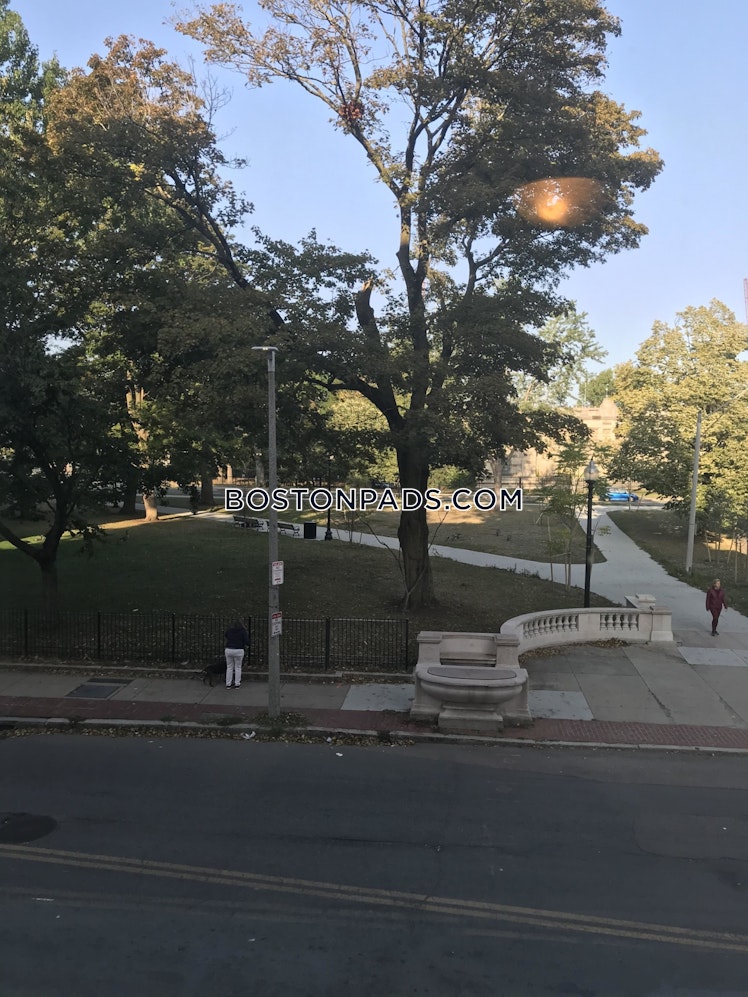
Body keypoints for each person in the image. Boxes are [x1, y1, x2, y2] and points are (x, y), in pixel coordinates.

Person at [224, 618, 249, 688]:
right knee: (238, 667)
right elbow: (247, 641)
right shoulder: (243, 631)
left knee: (229, 667)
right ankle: (237, 683)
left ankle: (228, 683)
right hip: (239, 650)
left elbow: (226, 635)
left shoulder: (230, 630)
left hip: (229, 649)